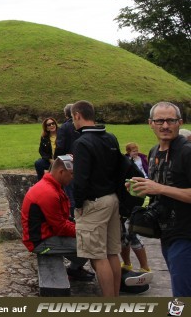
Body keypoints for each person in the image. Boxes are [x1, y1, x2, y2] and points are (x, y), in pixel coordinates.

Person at [128, 101, 191, 297]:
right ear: (150, 123)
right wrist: (143, 188)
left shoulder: (187, 152)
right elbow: (161, 191)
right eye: (160, 121)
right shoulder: (155, 151)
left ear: (179, 122)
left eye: (170, 120)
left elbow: (164, 188)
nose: (165, 126)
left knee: (182, 294)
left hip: (186, 234)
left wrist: (159, 187)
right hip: (166, 233)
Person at [71, 100, 124, 297]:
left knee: (96, 256)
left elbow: (81, 180)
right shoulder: (110, 138)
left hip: (93, 202)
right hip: (112, 198)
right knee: (112, 253)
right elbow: (120, 168)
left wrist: (78, 204)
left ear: (77, 115)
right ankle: (115, 299)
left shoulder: (82, 143)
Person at [21, 155, 94, 281]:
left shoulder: (51, 186)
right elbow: (60, 227)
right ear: (61, 172)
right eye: (71, 174)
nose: (73, 178)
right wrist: (84, 230)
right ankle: (74, 270)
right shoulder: (48, 193)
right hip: (40, 243)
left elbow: (62, 221)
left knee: (88, 239)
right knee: (90, 243)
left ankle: (75, 269)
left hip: (47, 234)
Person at [119, 142, 152, 277]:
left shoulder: (127, 165)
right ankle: (127, 264)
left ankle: (145, 267)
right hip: (120, 205)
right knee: (122, 237)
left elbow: (137, 190)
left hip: (130, 204)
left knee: (133, 235)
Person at [55, 103, 80, 216]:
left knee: (69, 191)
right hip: (82, 161)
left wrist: (57, 160)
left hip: (68, 162)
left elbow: (60, 146)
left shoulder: (64, 127)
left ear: (66, 114)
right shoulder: (82, 126)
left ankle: (72, 216)